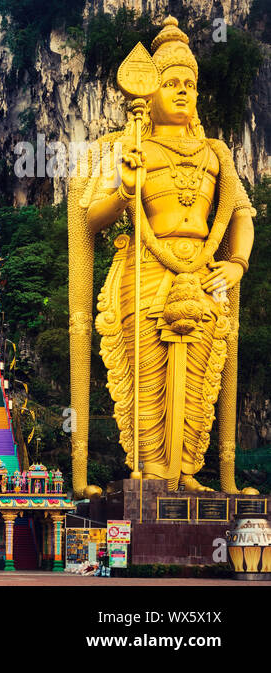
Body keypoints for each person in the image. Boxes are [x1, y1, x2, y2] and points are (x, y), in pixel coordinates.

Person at [71, 17, 254, 493]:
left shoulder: (217, 153)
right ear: (148, 93)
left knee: (200, 376)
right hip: (147, 268)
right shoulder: (127, 147)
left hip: (206, 269)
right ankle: (153, 471)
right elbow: (90, 216)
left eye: (189, 84)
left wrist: (236, 264)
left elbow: (241, 215)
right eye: (170, 83)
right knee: (144, 371)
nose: (181, 92)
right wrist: (125, 190)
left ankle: (189, 470)